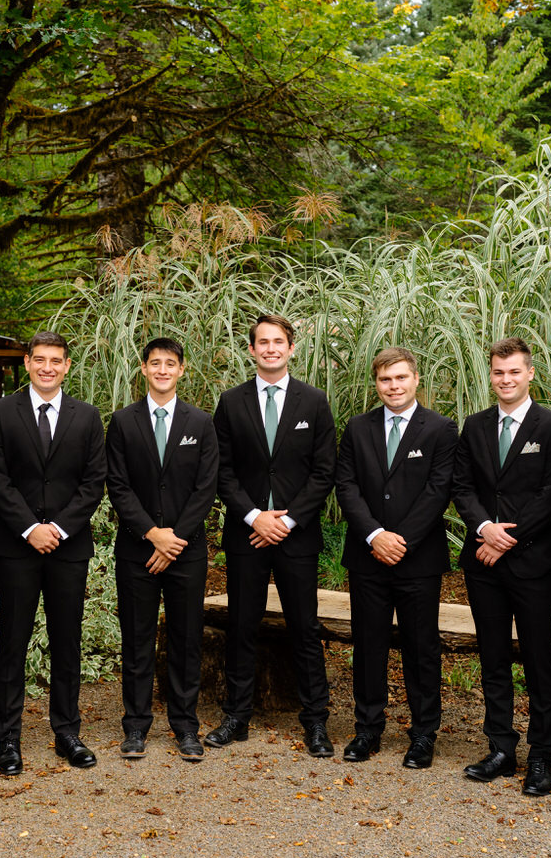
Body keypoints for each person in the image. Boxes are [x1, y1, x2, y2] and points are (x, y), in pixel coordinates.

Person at [206, 315, 336, 757]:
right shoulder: (231, 402)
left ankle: (316, 722)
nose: (270, 348)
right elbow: (221, 471)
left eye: (278, 341)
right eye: (262, 342)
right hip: (247, 536)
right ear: (252, 350)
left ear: (291, 348)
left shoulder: (314, 401)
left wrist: (287, 520)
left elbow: (324, 472)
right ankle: (236, 716)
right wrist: (254, 517)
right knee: (242, 626)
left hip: (296, 537)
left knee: (305, 628)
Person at [0, 331, 107, 774]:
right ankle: (8, 738)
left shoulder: (87, 416)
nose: (48, 367)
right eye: (40, 359)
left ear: (67, 365)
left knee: (66, 640)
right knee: (14, 639)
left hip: (69, 547)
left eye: (56, 360)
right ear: (27, 363)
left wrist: (59, 528)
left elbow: (94, 482)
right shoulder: (1, 412)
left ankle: (67, 732)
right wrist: (31, 527)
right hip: (16, 545)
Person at [334, 347, 457, 769]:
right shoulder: (357, 428)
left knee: (421, 646)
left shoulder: (440, 429)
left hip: (417, 559)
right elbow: (346, 486)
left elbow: (438, 490)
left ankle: (423, 734)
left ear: (416, 380)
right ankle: (367, 728)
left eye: (401, 378)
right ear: (377, 384)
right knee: (368, 644)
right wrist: (374, 535)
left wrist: (400, 538)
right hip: (367, 556)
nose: (394, 387)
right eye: (386, 380)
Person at [451, 338, 551, 796]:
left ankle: (542, 755)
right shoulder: (475, 426)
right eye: (498, 372)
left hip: (532, 562)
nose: (505, 379)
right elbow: (461, 485)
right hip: (483, 564)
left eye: (514, 371)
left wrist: (507, 538)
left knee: (539, 661)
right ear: (490, 375)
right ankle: (500, 747)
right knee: (493, 657)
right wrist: (483, 528)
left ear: (530, 373)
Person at [105, 338, 220, 761]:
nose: (163, 370)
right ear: (144, 368)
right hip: (137, 550)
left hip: (185, 551)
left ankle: (185, 726)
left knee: (186, 639)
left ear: (182, 370)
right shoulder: (122, 421)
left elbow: (205, 487)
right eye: (155, 363)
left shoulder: (201, 422)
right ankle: (135, 727)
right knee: (136, 639)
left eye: (171, 364)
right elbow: (116, 484)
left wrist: (174, 540)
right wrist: (152, 534)